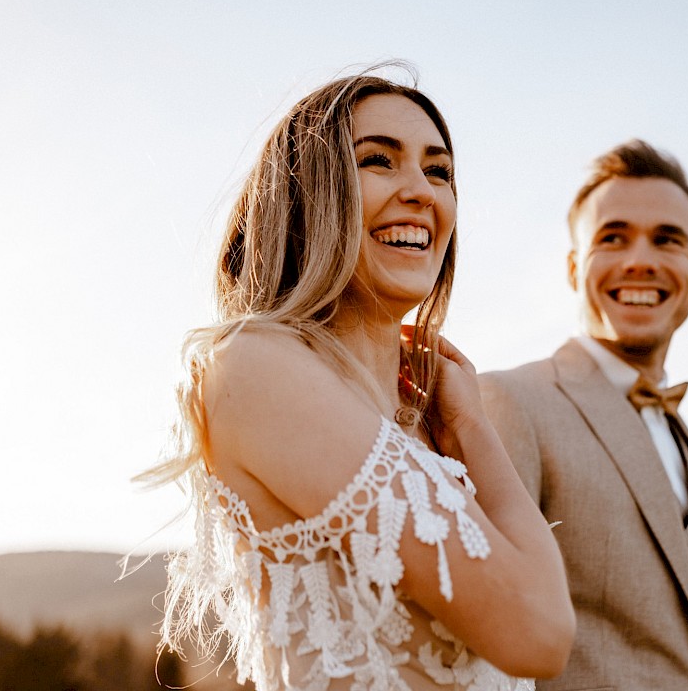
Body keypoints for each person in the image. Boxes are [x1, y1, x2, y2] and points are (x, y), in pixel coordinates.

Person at [145, 70, 575, 691]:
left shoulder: (423, 423)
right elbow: (538, 632)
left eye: (439, 171)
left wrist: (456, 426)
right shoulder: (255, 366)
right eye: (378, 161)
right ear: (304, 195)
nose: (421, 192)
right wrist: (474, 430)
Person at [480, 140, 688, 690]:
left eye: (667, 239)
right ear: (574, 267)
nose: (640, 260)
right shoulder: (506, 402)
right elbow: (483, 633)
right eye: (613, 237)